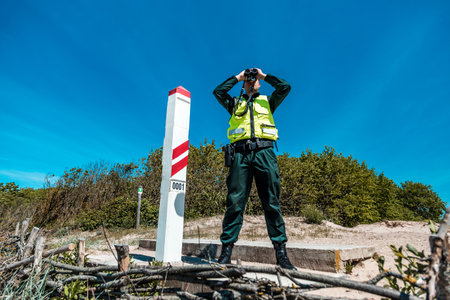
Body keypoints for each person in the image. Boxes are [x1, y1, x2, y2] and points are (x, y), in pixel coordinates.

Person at [213, 68, 296, 270]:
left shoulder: (267, 102)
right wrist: (239, 77)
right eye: (248, 80)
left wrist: (263, 75)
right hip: (240, 154)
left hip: (264, 153)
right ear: (243, 84)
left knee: (271, 202)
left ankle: (281, 254)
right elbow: (218, 92)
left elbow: (285, 87)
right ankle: (226, 253)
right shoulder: (234, 103)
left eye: (254, 80)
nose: (252, 82)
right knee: (235, 202)